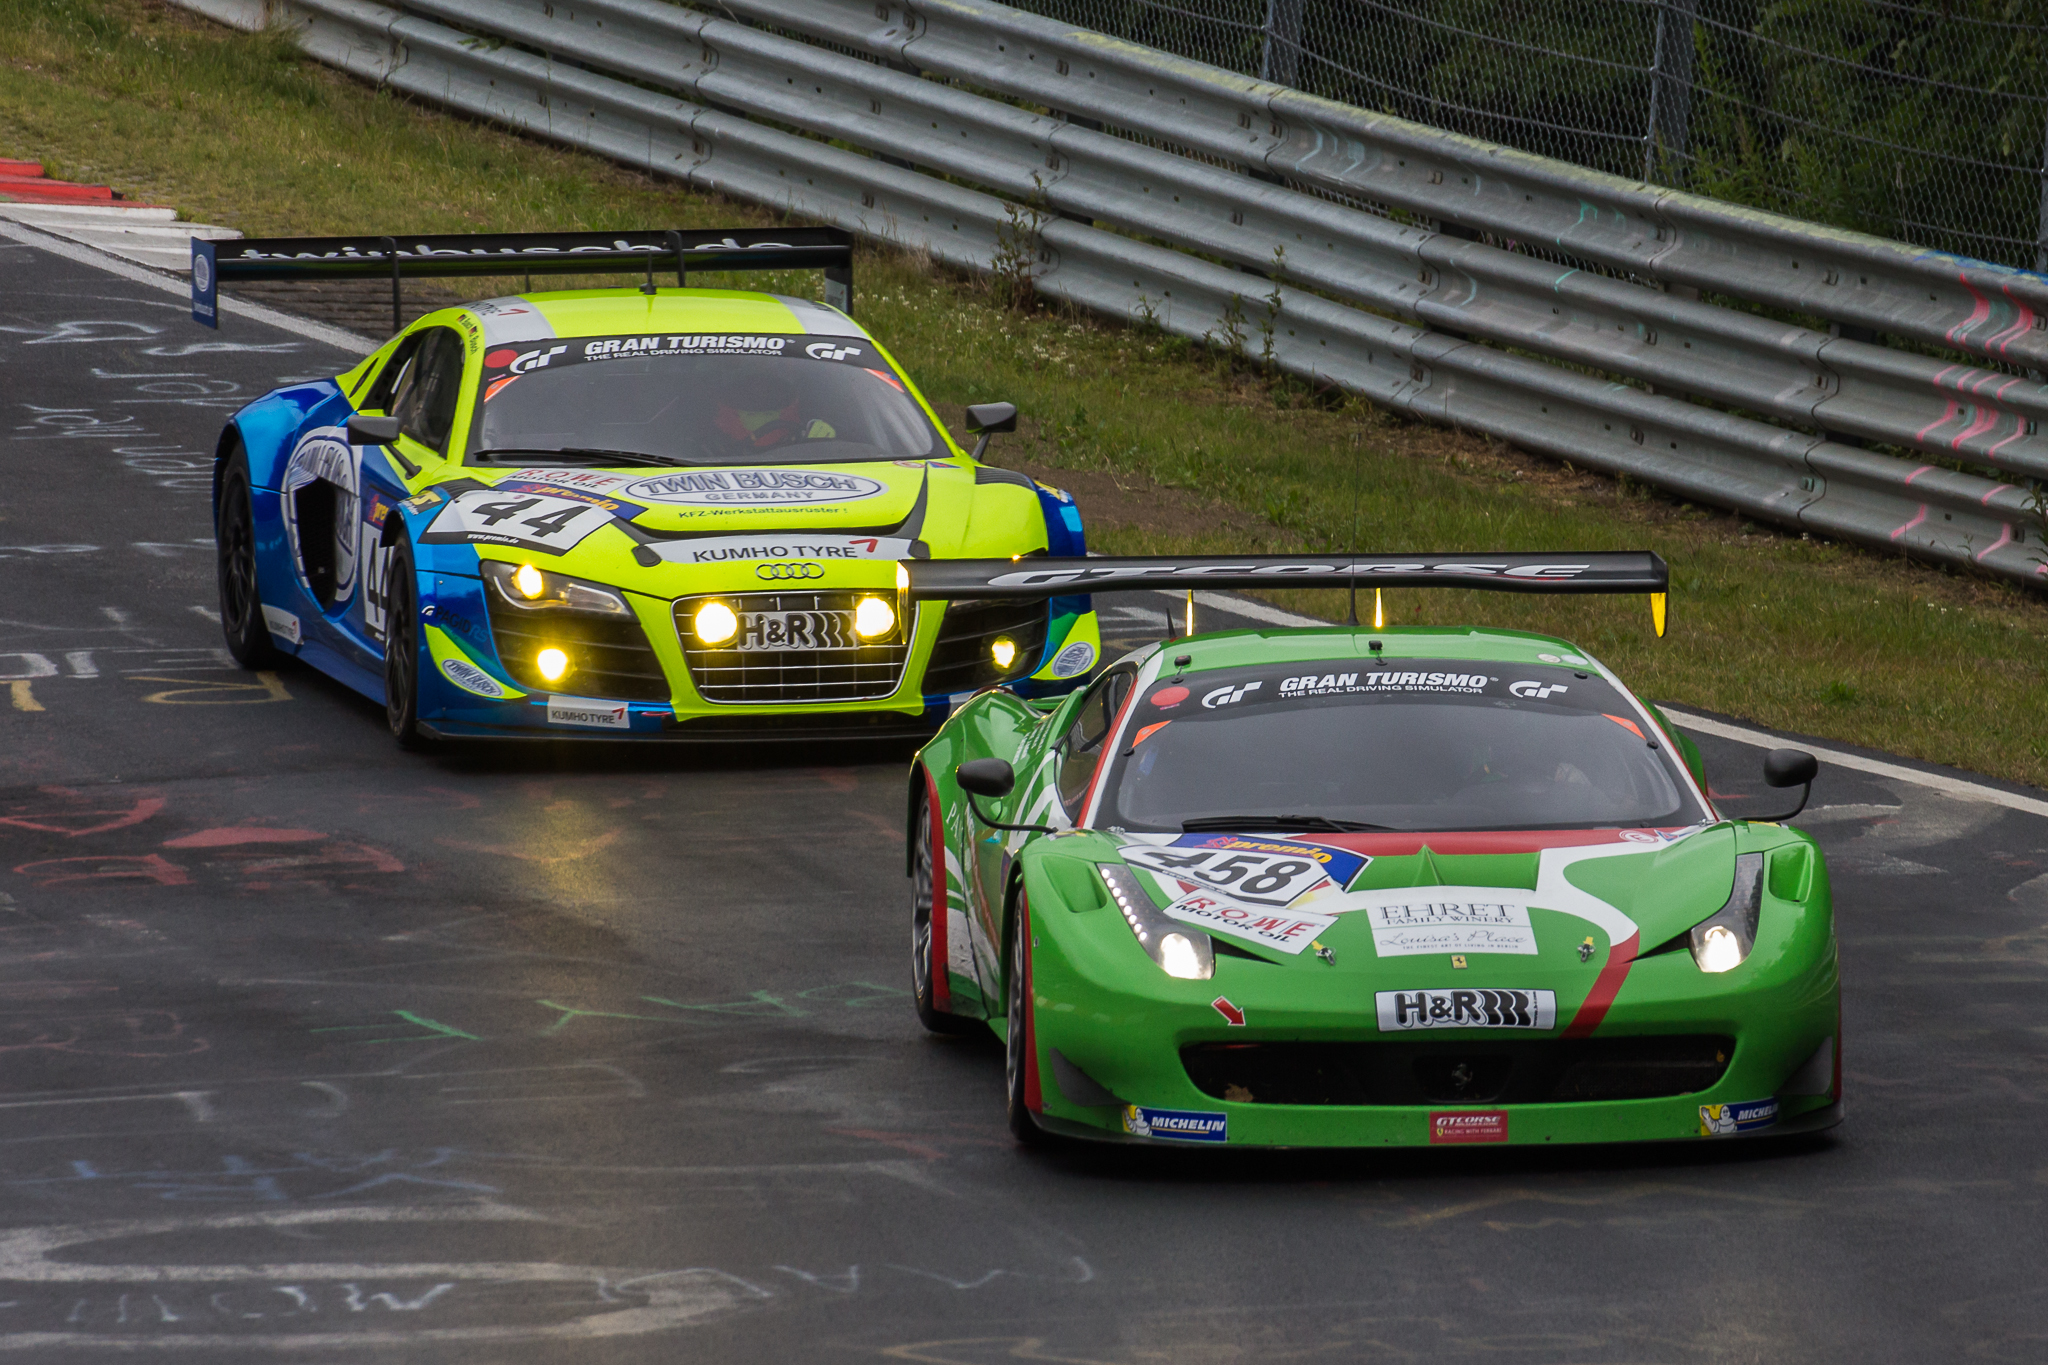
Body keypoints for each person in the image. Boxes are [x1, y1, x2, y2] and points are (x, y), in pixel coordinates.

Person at [710, 365, 836, 454]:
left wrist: (820, 442)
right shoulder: (711, 442)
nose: (760, 394)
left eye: (768, 389)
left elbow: (836, 450)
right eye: (752, 388)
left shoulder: (806, 429)